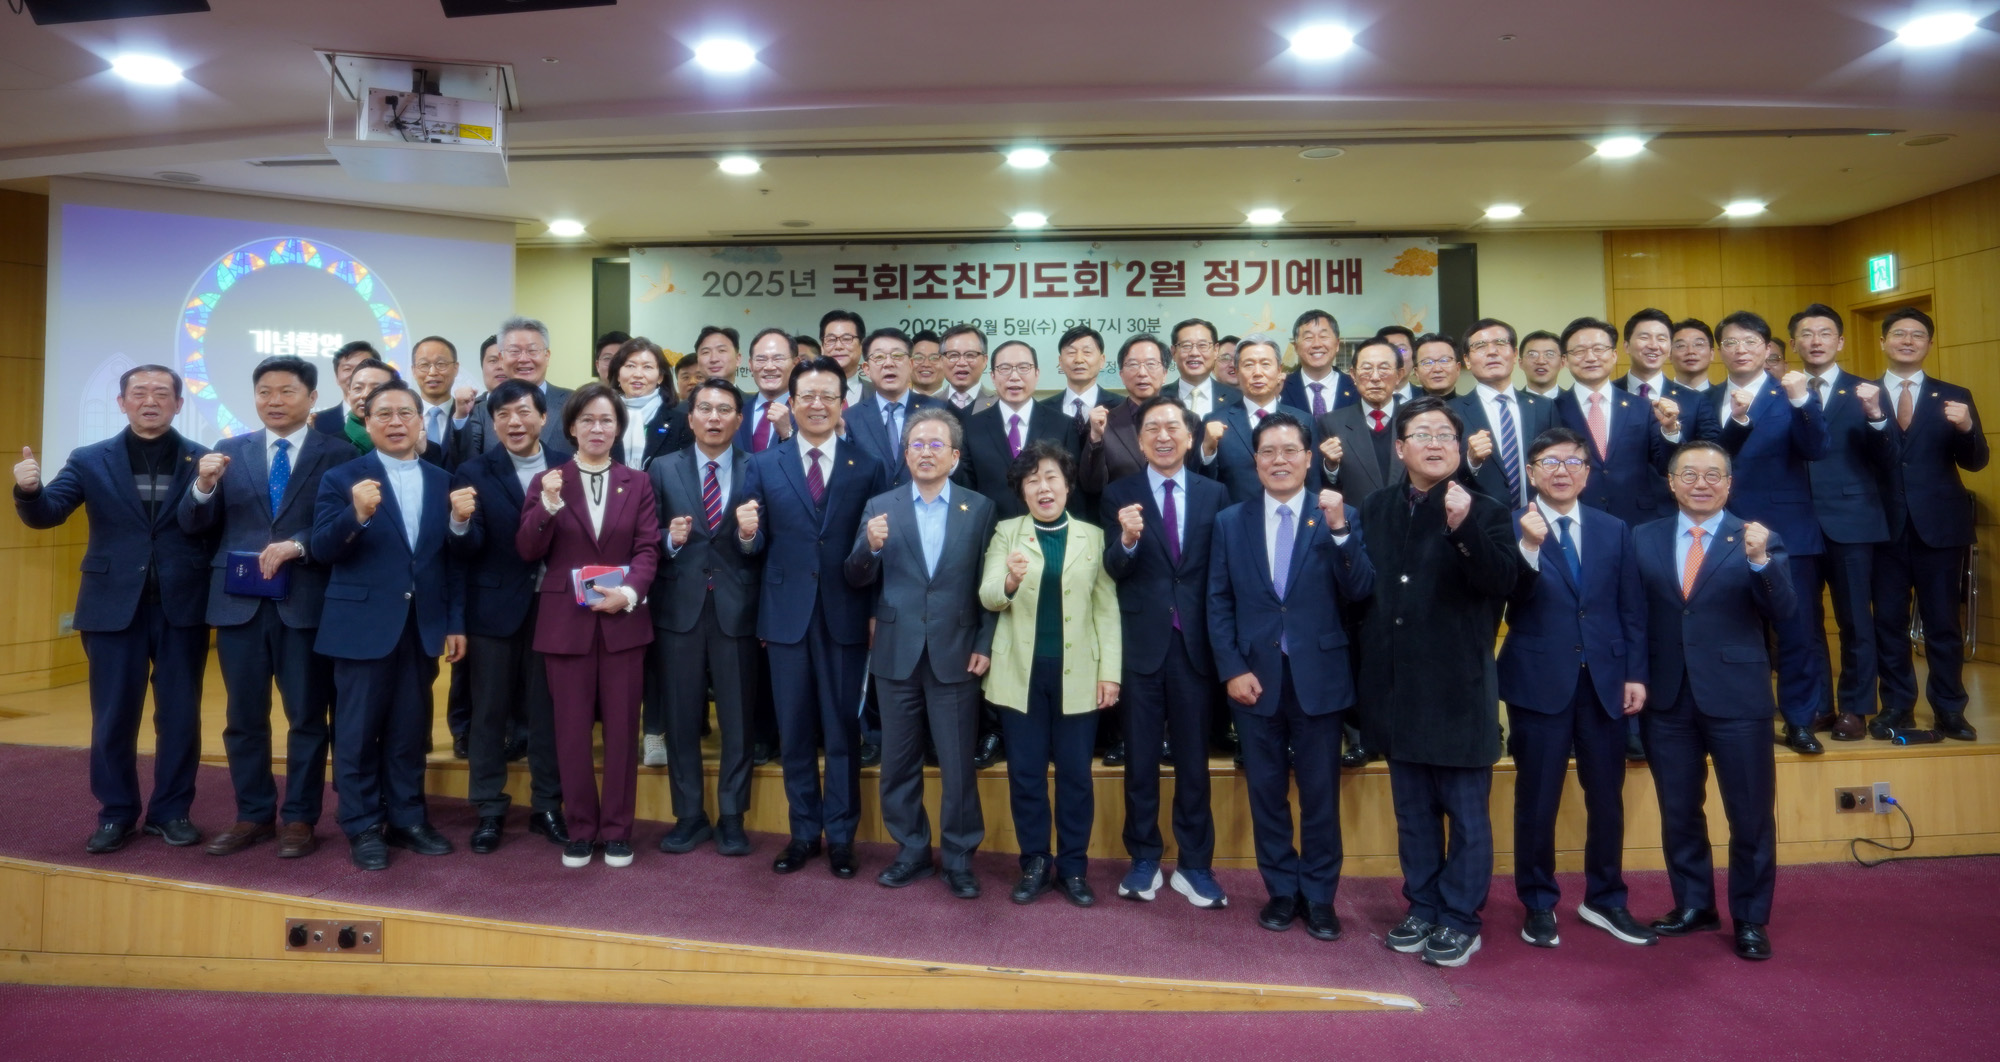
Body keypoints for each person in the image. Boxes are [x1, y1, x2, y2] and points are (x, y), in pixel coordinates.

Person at [14, 365, 212, 853]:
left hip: (182, 606)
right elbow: (48, 514)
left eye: (162, 393)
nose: (150, 400)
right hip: (110, 607)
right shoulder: (89, 459)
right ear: (122, 403)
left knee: (180, 718)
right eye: (139, 392)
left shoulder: (202, 458)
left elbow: (210, 524)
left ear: (178, 404)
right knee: (112, 717)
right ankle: (116, 813)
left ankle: (171, 812)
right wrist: (29, 491)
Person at [1358, 396, 1522, 968]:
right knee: (1413, 815)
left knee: (1467, 818)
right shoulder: (1375, 507)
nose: (1435, 444)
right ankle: (1423, 905)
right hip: (1396, 689)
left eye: (1445, 435)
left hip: (1457, 690)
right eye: (1422, 434)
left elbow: (1503, 582)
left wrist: (1462, 527)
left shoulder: (1487, 508)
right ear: (1400, 447)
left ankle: (1460, 918)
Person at [179, 356, 357, 859]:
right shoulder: (226, 452)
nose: (274, 401)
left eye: (286, 391)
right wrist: (203, 487)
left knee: (307, 717)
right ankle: (253, 814)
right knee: (243, 718)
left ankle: (299, 817)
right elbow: (193, 525)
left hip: (304, 602)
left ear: (312, 397)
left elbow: (342, 525)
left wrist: (299, 544)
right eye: (264, 392)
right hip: (238, 604)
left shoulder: (339, 453)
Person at [1209, 412, 1373, 940]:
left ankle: (1320, 896)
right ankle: (1281, 889)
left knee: (1320, 795)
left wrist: (1341, 531)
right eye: (1268, 452)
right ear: (1254, 460)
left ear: (1308, 458)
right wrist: (1233, 668)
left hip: (1319, 677)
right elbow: (1218, 602)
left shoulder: (1338, 513)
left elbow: (1361, 590)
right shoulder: (1230, 521)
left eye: (1289, 451)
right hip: (1253, 680)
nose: (1278, 460)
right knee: (1266, 792)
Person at [1636, 440, 1793, 961]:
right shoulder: (1643, 537)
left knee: (1750, 815)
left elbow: (1784, 611)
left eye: (1712, 475)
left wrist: (1760, 561)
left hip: (1737, 697)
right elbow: (1632, 615)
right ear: (1671, 482)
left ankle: (1750, 917)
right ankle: (1694, 905)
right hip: (1667, 696)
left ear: (1729, 484)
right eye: (1689, 474)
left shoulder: (1756, 538)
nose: (1700, 483)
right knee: (1679, 810)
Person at [1499, 427, 1655, 949]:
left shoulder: (1613, 528)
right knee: (1537, 799)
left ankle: (1605, 898)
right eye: (1549, 461)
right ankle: (1538, 902)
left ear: (1587, 472)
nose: (1561, 470)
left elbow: (1630, 607)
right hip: (1539, 681)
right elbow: (1506, 599)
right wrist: (1527, 547)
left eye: (1572, 462)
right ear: (1531, 472)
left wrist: (1635, 674)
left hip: (1605, 681)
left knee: (1606, 797)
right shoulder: (1511, 525)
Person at [311, 378, 470, 870]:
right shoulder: (341, 478)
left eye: (405, 414)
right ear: (366, 421)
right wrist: (356, 515)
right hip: (360, 625)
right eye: (384, 414)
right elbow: (321, 549)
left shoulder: (443, 481)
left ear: (421, 422)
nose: (396, 422)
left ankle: (407, 818)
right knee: (357, 732)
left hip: (421, 625)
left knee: (408, 730)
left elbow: (450, 562)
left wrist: (455, 622)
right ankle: (361, 825)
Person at [742, 356, 890, 879]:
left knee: (843, 730)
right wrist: (746, 534)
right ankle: (804, 832)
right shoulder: (764, 464)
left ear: (843, 403)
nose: (817, 404)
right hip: (785, 617)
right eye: (807, 395)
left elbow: (877, 548)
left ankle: (843, 837)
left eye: (828, 395)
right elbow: (754, 544)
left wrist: (874, 612)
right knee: (795, 730)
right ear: (791, 402)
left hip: (846, 613)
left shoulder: (867, 465)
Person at [846, 407, 997, 897]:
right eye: (917, 444)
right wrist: (868, 548)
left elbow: (989, 584)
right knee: (898, 762)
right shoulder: (880, 505)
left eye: (936, 445)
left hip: (957, 651)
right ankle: (910, 851)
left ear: (954, 456)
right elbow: (855, 575)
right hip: (896, 651)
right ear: (905, 454)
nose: (926, 453)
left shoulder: (980, 508)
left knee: (957, 765)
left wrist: (984, 642)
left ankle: (959, 858)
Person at [516, 382, 662, 869]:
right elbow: (528, 549)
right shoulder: (549, 481)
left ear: (618, 428)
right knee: (571, 733)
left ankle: (618, 830)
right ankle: (580, 829)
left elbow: (647, 549)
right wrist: (548, 506)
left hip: (623, 622)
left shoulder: (637, 482)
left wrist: (630, 593)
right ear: (571, 427)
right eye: (587, 420)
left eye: (606, 420)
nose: (597, 429)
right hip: (565, 624)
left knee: (622, 732)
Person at [1102, 396, 1231, 909]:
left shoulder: (1215, 492)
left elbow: (1221, 572)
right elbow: (1112, 569)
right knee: (1140, 760)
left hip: (1195, 645)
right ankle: (1143, 859)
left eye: (1172, 427)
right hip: (1141, 644)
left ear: (1189, 436)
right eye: (1152, 428)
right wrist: (1128, 540)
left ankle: (1195, 865)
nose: (1162, 435)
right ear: (1139, 441)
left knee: (1194, 761)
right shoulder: (1119, 493)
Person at [980, 441, 1121, 907]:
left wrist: (1110, 673)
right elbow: (988, 596)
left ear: (1067, 485)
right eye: (1032, 480)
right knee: (1026, 775)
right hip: (1019, 673)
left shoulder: (1093, 537)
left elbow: (1106, 610)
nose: (1043, 487)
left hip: (1079, 672)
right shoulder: (1007, 533)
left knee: (1076, 776)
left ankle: (1074, 867)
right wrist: (1010, 580)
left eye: (1051, 478)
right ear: (1021, 491)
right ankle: (1035, 863)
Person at [451, 379, 572, 854]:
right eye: (502, 415)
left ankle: (547, 805)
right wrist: (459, 522)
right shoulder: (473, 471)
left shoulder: (568, 465)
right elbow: (465, 551)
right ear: (492, 422)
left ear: (544, 417)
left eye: (523, 412)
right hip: (492, 610)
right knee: (488, 713)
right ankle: (488, 808)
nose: (514, 422)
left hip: (555, 608)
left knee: (549, 712)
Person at [649, 379, 760, 857]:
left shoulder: (758, 467)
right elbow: (644, 536)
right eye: (706, 409)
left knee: (738, 719)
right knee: (681, 717)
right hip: (679, 608)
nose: (715, 417)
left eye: (725, 409)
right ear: (690, 417)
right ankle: (689, 815)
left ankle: (732, 816)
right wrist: (669, 540)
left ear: (739, 419)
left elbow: (769, 542)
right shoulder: (661, 468)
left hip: (738, 609)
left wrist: (750, 537)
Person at [1711, 310, 1829, 753]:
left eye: (1750, 342)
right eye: (1731, 342)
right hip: (1720, 533)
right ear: (1720, 351)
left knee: (1797, 631)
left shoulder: (1792, 395)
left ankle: (1799, 721)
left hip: (1787, 531)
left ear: (1767, 349)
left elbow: (1817, 448)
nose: (1740, 350)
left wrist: (1802, 402)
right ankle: (1742, 717)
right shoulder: (1706, 399)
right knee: (1731, 631)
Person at [1872, 307, 1987, 741]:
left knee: (1943, 623)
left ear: (1929, 344)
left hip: (1940, 527)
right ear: (1883, 341)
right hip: (1881, 526)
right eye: (1899, 333)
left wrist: (1967, 427)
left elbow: (1975, 461)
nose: (1907, 340)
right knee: (1888, 622)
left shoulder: (1954, 395)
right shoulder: (1863, 395)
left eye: (1917, 335)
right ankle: (1897, 706)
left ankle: (1950, 709)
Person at [1790, 304, 1893, 742]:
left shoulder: (1867, 391)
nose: (1816, 341)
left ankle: (1856, 707)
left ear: (1840, 341)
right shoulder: (1779, 391)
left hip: (1852, 520)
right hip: (1795, 521)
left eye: (1825, 333)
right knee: (1804, 620)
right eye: (1807, 333)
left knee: (1855, 620)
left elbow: (1888, 457)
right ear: (1793, 342)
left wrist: (1876, 417)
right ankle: (1817, 705)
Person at [1553, 317, 1680, 529]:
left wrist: (1669, 430)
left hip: (1639, 520)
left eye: (1599, 349)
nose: (1590, 357)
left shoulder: (1643, 407)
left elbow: (1664, 465)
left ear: (1613, 355)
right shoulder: (1554, 409)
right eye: (1579, 351)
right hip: (1578, 517)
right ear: (1565, 360)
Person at [958, 340, 1086, 519]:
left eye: (1023, 368)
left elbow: (1073, 488)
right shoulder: (971, 426)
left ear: (1037, 374)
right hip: (989, 528)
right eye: (1004, 368)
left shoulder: (1063, 425)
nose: (1014, 376)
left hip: (1046, 528)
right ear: (992, 376)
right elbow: (965, 487)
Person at [1196, 335, 1317, 506]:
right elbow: (1203, 484)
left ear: (1279, 371)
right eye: (1249, 365)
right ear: (1237, 372)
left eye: (1265, 364)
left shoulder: (1303, 421)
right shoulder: (1215, 421)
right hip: (1234, 518)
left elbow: (1314, 484)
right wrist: (1207, 452)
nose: (1258, 373)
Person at [1451, 318, 1555, 509]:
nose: (1492, 351)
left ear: (1514, 354)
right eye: (1480, 346)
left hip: (1537, 518)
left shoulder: (1544, 408)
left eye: (1500, 343)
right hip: (1480, 521)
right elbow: (1442, 475)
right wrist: (1470, 461)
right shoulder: (1451, 411)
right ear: (1467, 360)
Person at [456, 317, 574, 460]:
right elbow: (467, 461)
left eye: (532, 350)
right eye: (514, 351)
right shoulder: (482, 410)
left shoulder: (573, 402)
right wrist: (460, 417)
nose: (523, 359)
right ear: (502, 358)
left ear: (547, 356)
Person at [847, 327, 944, 488]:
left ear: (911, 364)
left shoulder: (938, 411)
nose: (889, 363)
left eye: (897, 356)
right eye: (879, 357)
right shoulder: (851, 418)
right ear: (866, 369)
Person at [1616, 308, 1717, 442]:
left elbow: (1709, 449)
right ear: (1626, 346)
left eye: (1661, 339)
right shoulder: (1608, 392)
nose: (1654, 345)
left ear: (1669, 348)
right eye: (1644, 337)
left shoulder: (1696, 401)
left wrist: (1672, 432)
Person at [1089, 333, 1171, 485]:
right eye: (1133, 365)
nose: (1142, 373)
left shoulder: (1186, 420)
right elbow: (1092, 485)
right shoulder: (1103, 424)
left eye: (1151, 364)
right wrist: (1095, 439)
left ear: (1165, 373)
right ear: (1121, 375)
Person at [607, 337, 689, 470]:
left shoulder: (681, 422)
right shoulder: (603, 417)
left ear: (660, 377)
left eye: (647, 367)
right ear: (618, 375)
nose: (638, 374)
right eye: (630, 366)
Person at [1279, 309, 1359, 415]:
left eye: (1323, 336)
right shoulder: (1280, 388)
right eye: (1308, 338)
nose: (1317, 344)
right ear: (1296, 347)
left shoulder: (1357, 387)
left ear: (1337, 344)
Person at [410, 335, 472, 464]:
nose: (432, 372)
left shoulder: (472, 414)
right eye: (424, 365)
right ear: (413, 371)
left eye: (441, 364)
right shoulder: (404, 418)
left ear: (456, 368)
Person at [737, 327, 799, 454]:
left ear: (795, 364)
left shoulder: (807, 412)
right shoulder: (736, 411)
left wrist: (788, 434)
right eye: (761, 359)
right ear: (750, 365)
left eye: (778, 359)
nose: (769, 367)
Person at [1163, 318, 1240, 418]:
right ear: (1173, 352)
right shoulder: (1156, 397)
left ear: (1216, 350)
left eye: (1202, 345)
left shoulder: (1238, 399)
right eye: (1186, 346)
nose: (1194, 353)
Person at [312, 340, 380, 435]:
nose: (355, 375)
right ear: (337, 377)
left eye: (362, 367)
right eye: (347, 369)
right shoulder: (316, 422)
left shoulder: (393, 420)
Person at [938, 323, 997, 416]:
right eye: (953, 355)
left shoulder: (1000, 403)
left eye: (970, 355)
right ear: (941, 360)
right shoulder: (928, 404)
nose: (962, 363)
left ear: (984, 360)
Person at [820, 310, 869, 406]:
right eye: (831, 340)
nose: (838, 346)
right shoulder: (805, 392)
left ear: (862, 345)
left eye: (847, 339)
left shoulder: (879, 392)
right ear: (822, 347)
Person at [1671, 319, 1718, 395]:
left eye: (1699, 344)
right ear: (1670, 355)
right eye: (1681, 346)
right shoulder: (1658, 397)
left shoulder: (1725, 398)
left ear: (1711, 354)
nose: (1690, 351)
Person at [1411, 333, 1463, 397]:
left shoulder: (1472, 403)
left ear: (1458, 368)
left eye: (1444, 360)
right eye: (1427, 362)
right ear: (1416, 372)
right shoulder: (1406, 404)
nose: (1437, 369)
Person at [1520, 330, 1564, 398]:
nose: (1541, 361)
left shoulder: (1575, 401)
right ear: (1521, 363)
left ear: (1562, 362)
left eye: (1550, 354)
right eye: (1532, 354)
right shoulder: (1509, 402)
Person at [908, 329, 947, 397]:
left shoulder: (959, 403)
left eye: (934, 358)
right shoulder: (894, 402)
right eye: (919, 357)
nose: (926, 364)